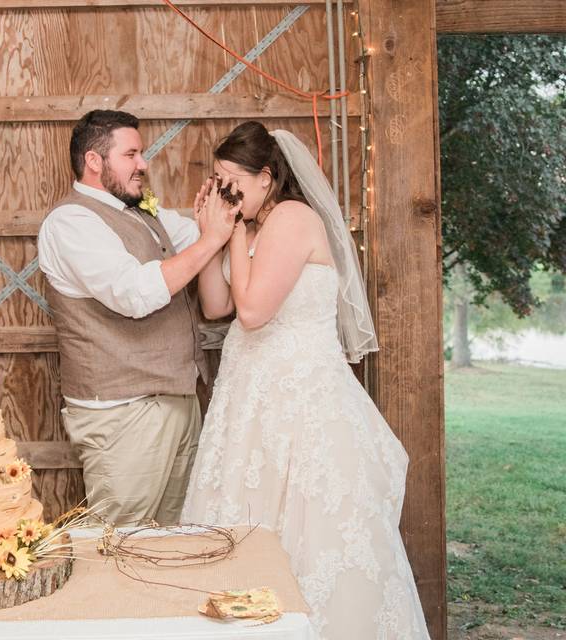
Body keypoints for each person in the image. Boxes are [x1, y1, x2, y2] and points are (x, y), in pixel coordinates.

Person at [181, 121, 430, 639]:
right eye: (218, 181)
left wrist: (236, 232)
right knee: (243, 525)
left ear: (267, 177)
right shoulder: (249, 224)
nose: (225, 192)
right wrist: (212, 237)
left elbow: (251, 312)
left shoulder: (291, 219)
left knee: (311, 535)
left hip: (300, 403)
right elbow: (216, 305)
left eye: (233, 182)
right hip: (250, 399)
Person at [37, 109, 236, 525]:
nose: (143, 164)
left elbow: (197, 239)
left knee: (173, 538)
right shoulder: (71, 222)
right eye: (131, 154)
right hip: (123, 412)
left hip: (177, 400)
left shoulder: (143, 212)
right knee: (119, 542)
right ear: (95, 161)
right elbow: (134, 294)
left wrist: (230, 213)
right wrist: (213, 236)